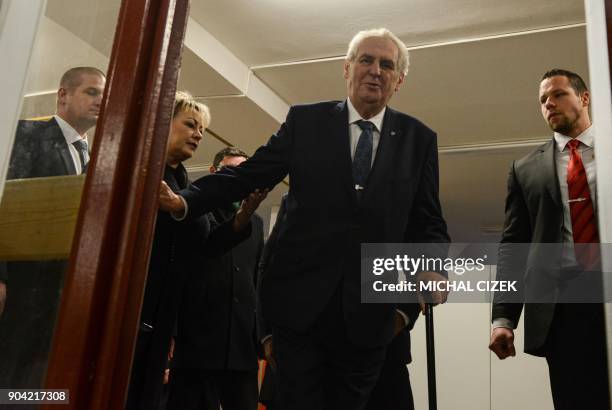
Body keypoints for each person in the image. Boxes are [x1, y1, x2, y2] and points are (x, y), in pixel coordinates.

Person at [160, 28, 450, 410]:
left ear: (399, 80)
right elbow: (248, 175)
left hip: (372, 320)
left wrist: (424, 281)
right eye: (365, 60)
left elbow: (428, 221)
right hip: (298, 319)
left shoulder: (419, 139)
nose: (375, 70)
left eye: (386, 64)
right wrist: (184, 202)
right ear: (346, 69)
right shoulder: (305, 122)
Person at [126, 92, 265, 409]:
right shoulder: (142, 171)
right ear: (164, 123)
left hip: (165, 315)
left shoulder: (184, 185)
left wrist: (243, 215)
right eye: (190, 124)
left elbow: (206, 247)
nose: (198, 134)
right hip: (136, 308)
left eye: (202, 129)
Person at [489, 69, 609, 409]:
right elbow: (514, 249)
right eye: (543, 100)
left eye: (558, 95)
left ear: (584, 97)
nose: (549, 104)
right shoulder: (525, 169)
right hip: (564, 307)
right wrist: (503, 319)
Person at [258, 195, 420, 410]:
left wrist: (401, 315)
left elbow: (422, 255)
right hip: (305, 348)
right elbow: (269, 267)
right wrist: (268, 335)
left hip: (379, 349)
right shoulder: (295, 199)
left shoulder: (397, 192)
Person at [0, 67, 105, 388]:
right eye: (92, 92)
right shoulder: (28, 134)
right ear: (63, 94)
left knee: (40, 385)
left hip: (63, 295)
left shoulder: (99, 160)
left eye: (104, 95)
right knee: (8, 380)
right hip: (20, 287)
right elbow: (6, 205)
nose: (100, 100)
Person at [168, 147, 265, 410]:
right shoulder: (195, 211)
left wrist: (259, 334)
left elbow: (256, 276)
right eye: (230, 171)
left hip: (241, 342)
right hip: (197, 338)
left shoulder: (256, 223)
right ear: (215, 173)